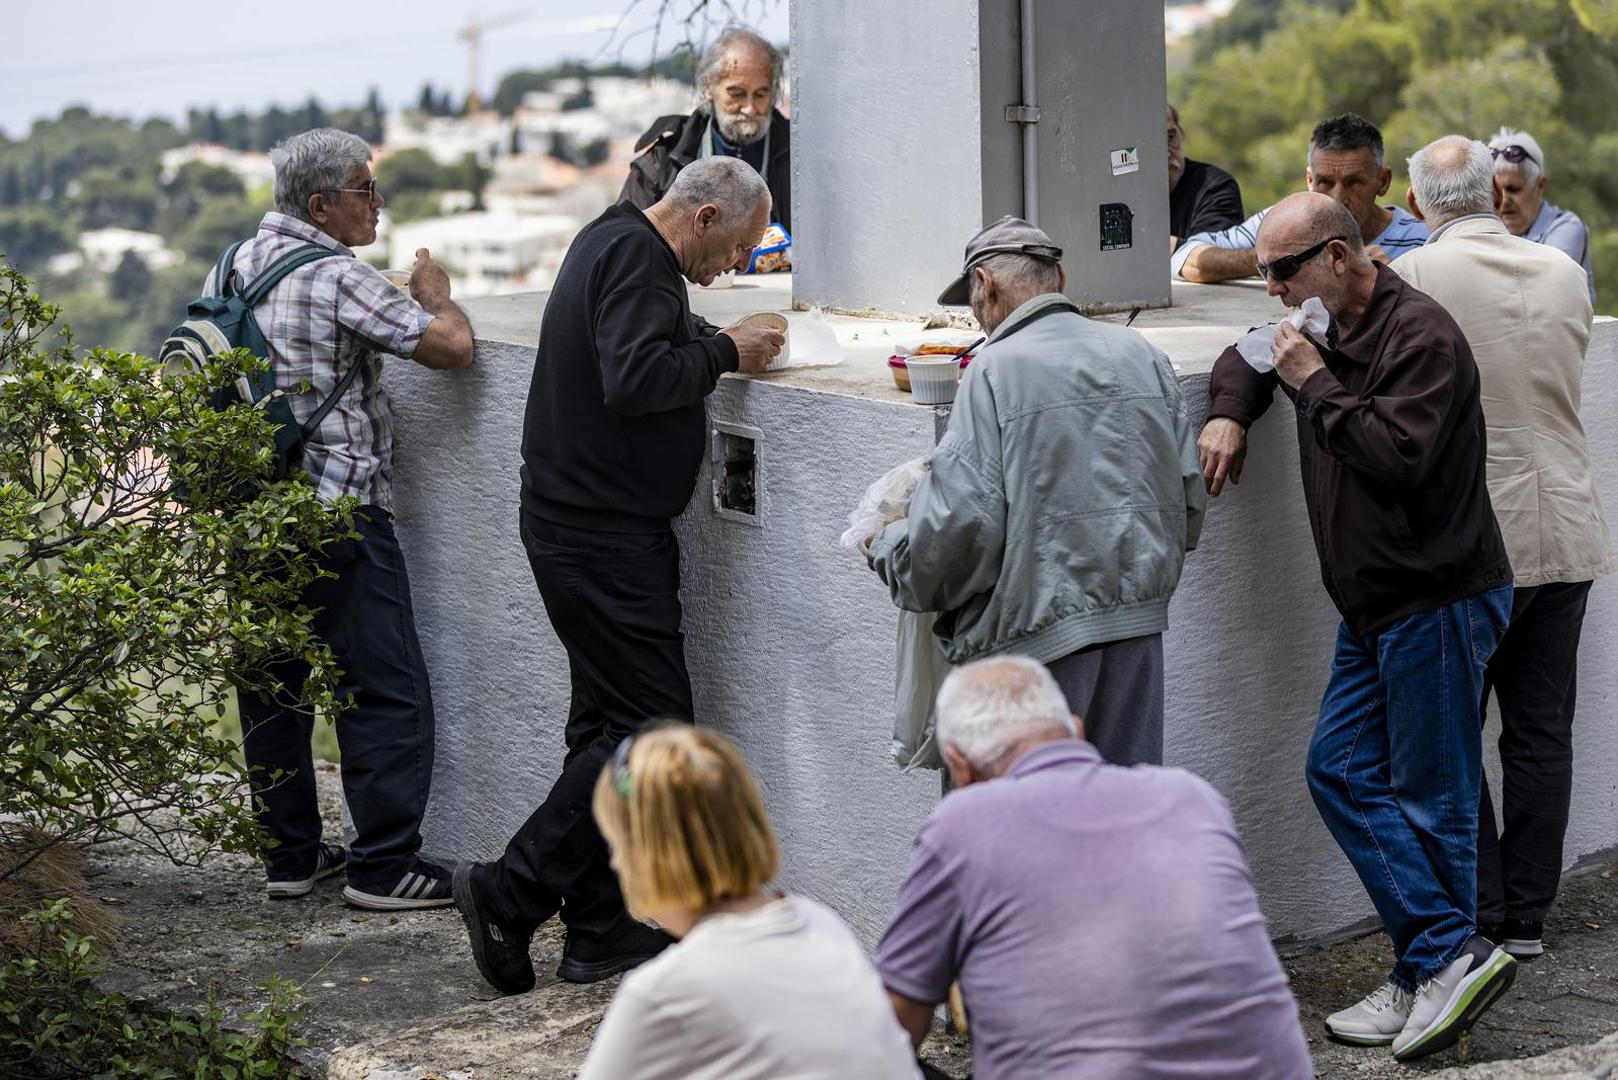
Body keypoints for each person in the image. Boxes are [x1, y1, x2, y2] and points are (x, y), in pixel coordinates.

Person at [452, 157, 784, 994]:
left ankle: (600, 931)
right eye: (737, 246)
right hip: (600, 536)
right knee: (654, 731)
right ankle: (508, 891)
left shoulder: (608, 236)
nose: (735, 267)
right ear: (703, 218)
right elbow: (634, 380)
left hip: (576, 525)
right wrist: (724, 347)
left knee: (604, 729)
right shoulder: (639, 259)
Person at [1198, 191, 1517, 1060]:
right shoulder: (1318, 318)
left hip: (1438, 597)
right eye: (1262, 269)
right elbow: (1242, 355)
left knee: (1433, 799)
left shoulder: (1422, 337)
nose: (1268, 289)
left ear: (1339, 257)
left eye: (1280, 269)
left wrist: (1310, 382)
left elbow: (1397, 457)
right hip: (1376, 605)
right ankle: (1438, 959)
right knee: (1338, 771)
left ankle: (1438, 970)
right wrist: (1231, 406)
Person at [227, 128, 475, 910]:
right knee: (384, 687)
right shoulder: (339, 277)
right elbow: (452, 349)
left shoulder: (234, 263)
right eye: (367, 192)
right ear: (321, 205)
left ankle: (292, 857)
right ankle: (384, 866)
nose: (379, 205)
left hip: (255, 512)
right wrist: (436, 295)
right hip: (339, 511)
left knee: (273, 689)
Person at [864, 216, 1203, 766]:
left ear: (986, 286)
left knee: (1019, 833)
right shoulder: (1141, 354)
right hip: (1137, 636)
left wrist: (889, 549)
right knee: (1115, 823)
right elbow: (1187, 502)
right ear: (1059, 276)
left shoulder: (993, 368)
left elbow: (958, 533)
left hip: (1031, 652)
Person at [876, 656, 1314, 1079]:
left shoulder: (962, 824)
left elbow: (890, 1032)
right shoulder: (1192, 799)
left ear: (960, 768)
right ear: (1078, 732)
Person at [1397, 135, 1615, 959]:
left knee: (1452, 731)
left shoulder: (1413, 278)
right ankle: (1528, 916)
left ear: (1416, 205)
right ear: (1496, 192)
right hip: (1566, 520)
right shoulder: (1563, 273)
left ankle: (1483, 909)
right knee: (1539, 730)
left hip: (1473, 538)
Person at [576, 725, 923, 1080]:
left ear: (649, 853)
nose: (615, 863)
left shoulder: (661, 993)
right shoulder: (821, 923)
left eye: (617, 843)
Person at [1174, 113, 1427, 283]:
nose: (1337, 198)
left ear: (1382, 182)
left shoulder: (1422, 240)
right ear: (1309, 180)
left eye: (1354, 183)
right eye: (1324, 182)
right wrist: (1278, 259)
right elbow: (1186, 257)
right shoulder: (1282, 222)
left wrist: (1396, 278)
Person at [620, 26, 791, 233]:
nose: (749, 108)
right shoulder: (662, 163)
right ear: (709, 88)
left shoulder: (799, 154)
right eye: (736, 94)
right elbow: (625, 239)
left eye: (760, 94)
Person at [1488, 127, 1596, 303]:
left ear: (1540, 185)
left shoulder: (1567, 228)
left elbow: (1539, 290)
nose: (1504, 200)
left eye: (1513, 189)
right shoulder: (1489, 228)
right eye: (1496, 191)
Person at [1168, 103, 1245, 253]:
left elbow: (1212, 256)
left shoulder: (1214, 187)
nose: (1165, 152)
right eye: (1151, 144)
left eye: (1170, 138)